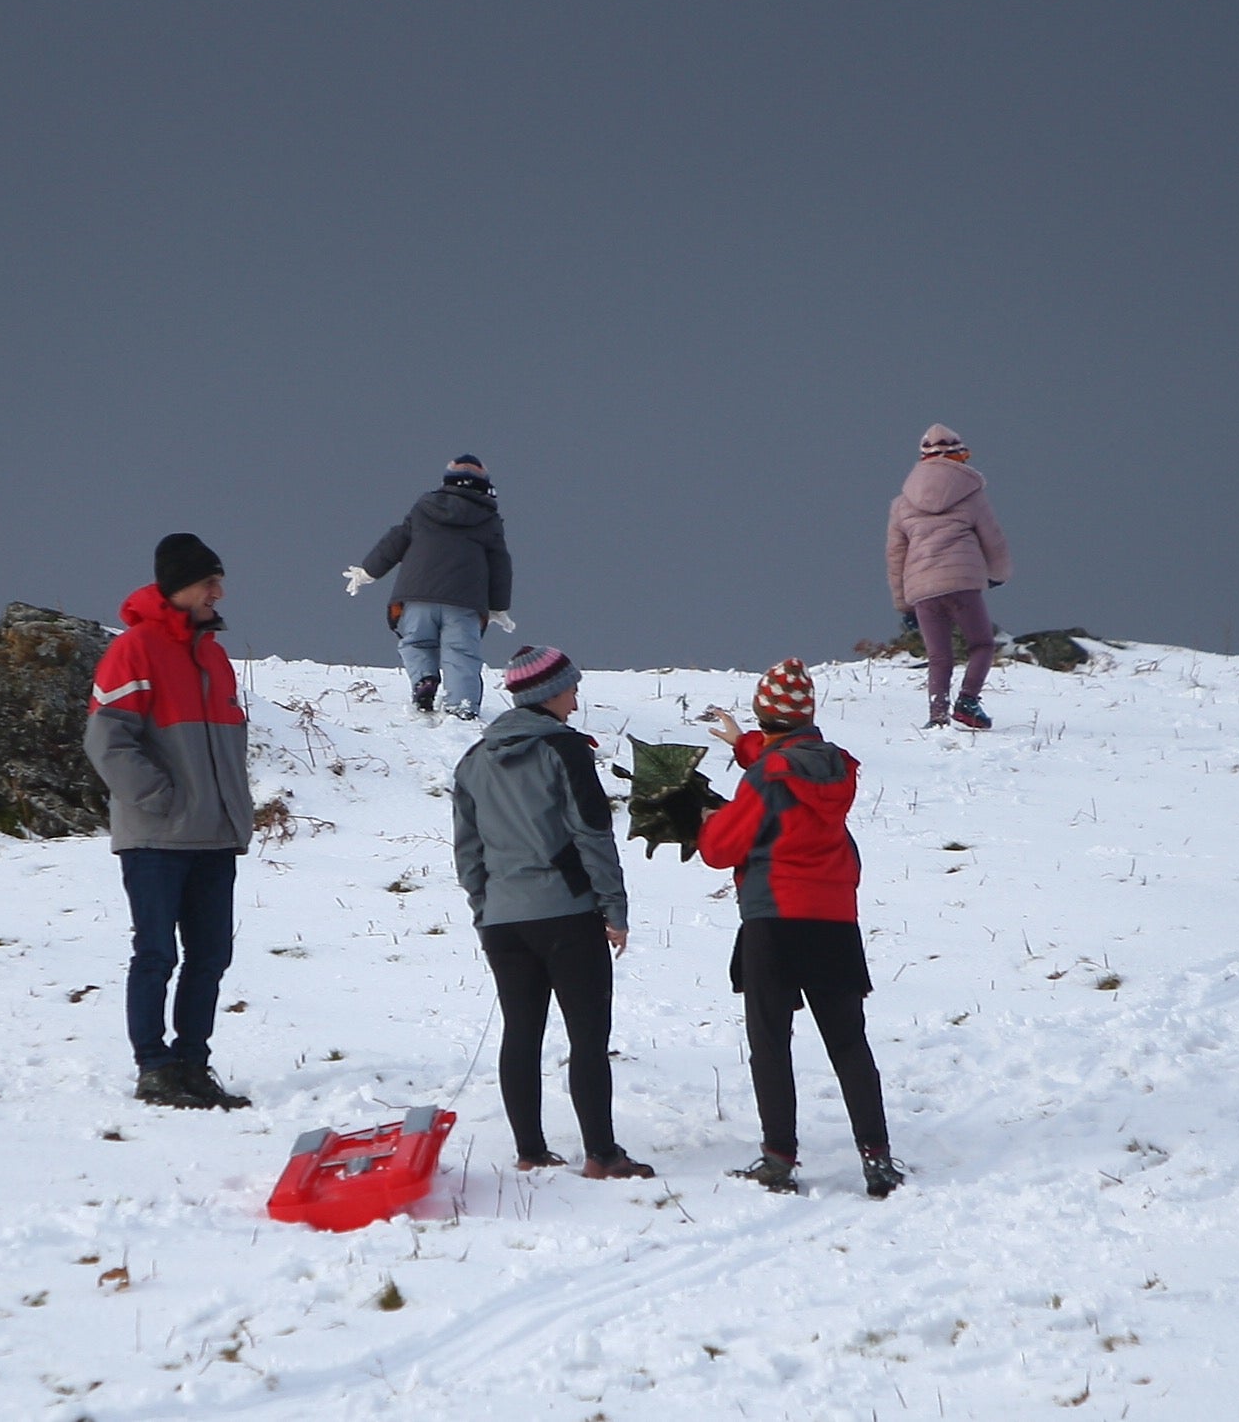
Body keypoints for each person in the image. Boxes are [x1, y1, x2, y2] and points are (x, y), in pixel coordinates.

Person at [700, 661, 903, 1198]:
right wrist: (745, 744)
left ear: (765, 715)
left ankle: (779, 1158)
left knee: (771, 1043)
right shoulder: (837, 767)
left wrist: (706, 821)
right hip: (835, 921)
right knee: (848, 1043)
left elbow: (721, 850)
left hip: (774, 920)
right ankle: (877, 1160)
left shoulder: (765, 776)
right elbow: (794, 770)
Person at [451, 644, 653, 1179]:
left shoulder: (473, 760)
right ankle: (603, 1155)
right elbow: (592, 832)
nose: (576, 695)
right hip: (566, 913)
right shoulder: (564, 750)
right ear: (547, 694)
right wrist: (614, 908)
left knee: (521, 1030)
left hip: (503, 919)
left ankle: (530, 1150)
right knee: (587, 1035)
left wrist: (483, 907)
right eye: (570, 687)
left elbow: (467, 851)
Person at [85, 532, 256, 1111]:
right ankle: (153, 1068)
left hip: (213, 837)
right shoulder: (133, 649)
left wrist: (233, 812)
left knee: (210, 956)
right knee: (156, 953)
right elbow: (107, 742)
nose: (220, 592)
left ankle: (192, 1064)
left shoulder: (212, 654)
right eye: (210, 582)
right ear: (180, 585)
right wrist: (160, 800)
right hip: (157, 837)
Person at [346, 454, 515, 719]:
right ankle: (462, 705)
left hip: (417, 596)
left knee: (417, 643)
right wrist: (498, 606)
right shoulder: (488, 519)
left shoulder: (423, 509)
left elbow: (396, 540)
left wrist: (368, 571)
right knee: (461, 653)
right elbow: (500, 563)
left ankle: (424, 680)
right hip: (464, 602)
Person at [886, 423, 1013, 730]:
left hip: (922, 590)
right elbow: (992, 539)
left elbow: (895, 556)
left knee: (939, 656)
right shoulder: (971, 495)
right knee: (981, 645)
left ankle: (937, 715)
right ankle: (968, 701)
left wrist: (904, 605)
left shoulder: (902, 504)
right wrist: (998, 574)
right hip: (963, 583)